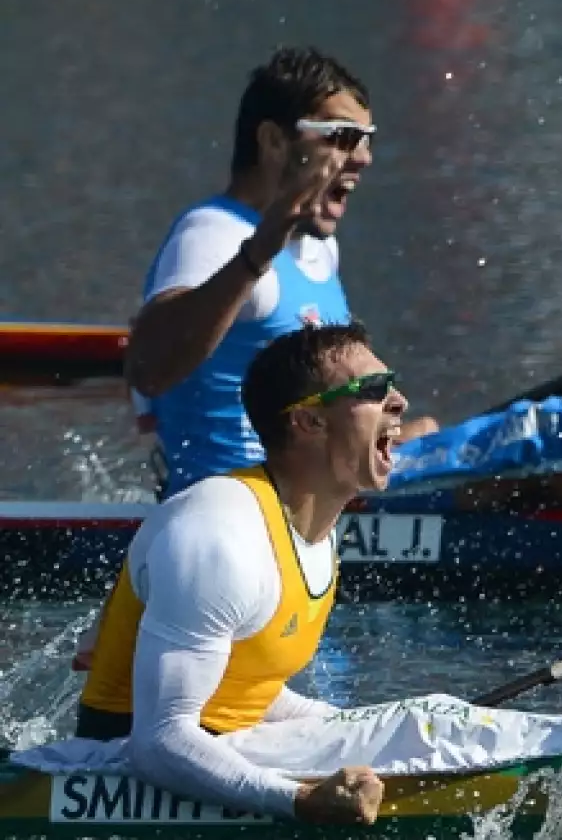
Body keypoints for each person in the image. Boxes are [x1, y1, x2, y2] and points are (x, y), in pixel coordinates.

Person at [123, 45, 562, 506]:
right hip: (252, 508)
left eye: (367, 139)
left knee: (549, 468)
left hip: (329, 492)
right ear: (274, 142)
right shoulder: (214, 234)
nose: (365, 157)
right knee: (559, 430)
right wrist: (261, 247)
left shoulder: (317, 249)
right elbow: (149, 369)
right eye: (343, 137)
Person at [76, 322, 404, 823]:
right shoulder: (219, 534)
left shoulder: (315, 528)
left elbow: (247, 695)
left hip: (224, 749)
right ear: (309, 422)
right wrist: (299, 802)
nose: (399, 402)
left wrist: (382, 727)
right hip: (123, 772)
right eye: (375, 390)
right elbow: (159, 739)